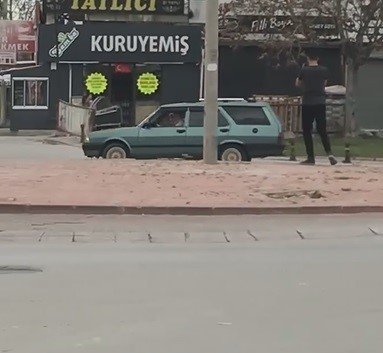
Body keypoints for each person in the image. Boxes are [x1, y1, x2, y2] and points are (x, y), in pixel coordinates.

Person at [296, 52, 337, 165]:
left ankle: (311, 157)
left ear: (308, 58)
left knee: (307, 130)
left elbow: (298, 83)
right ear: (318, 59)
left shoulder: (304, 70)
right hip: (320, 102)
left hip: (308, 102)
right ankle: (330, 154)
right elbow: (324, 83)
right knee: (322, 129)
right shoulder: (324, 70)